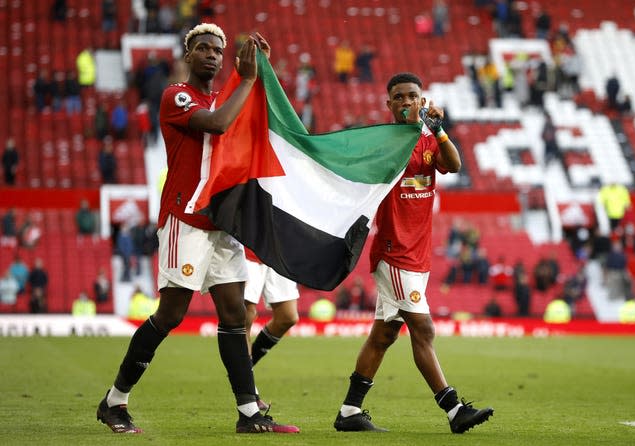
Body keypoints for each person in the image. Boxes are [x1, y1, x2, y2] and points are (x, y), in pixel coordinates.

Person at [95, 23, 299, 435]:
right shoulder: (177, 95)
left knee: (233, 318)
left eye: (217, 50)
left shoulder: (224, 95)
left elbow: (250, 122)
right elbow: (220, 124)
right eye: (202, 48)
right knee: (170, 315)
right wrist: (246, 80)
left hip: (221, 224)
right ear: (188, 56)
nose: (210, 54)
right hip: (184, 221)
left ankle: (248, 413)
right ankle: (114, 401)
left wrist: (259, 81)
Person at [333, 72, 493, 434]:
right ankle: (454, 410)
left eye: (412, 96)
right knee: (423, 328)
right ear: (388, 104)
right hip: (394, 253)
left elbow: (452, 165)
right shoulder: (382, 144)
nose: (406, 102)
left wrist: (439, 130)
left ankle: (349, 411)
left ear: (422, 101)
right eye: (399, 97)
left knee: (383, 335)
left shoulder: (429, 140)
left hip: (418, 254)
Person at [243, 249, 299, 408]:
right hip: (250, 248)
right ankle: (249, 391)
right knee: (245, 317)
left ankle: (240, 368)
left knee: (287, 317)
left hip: (280, 249)